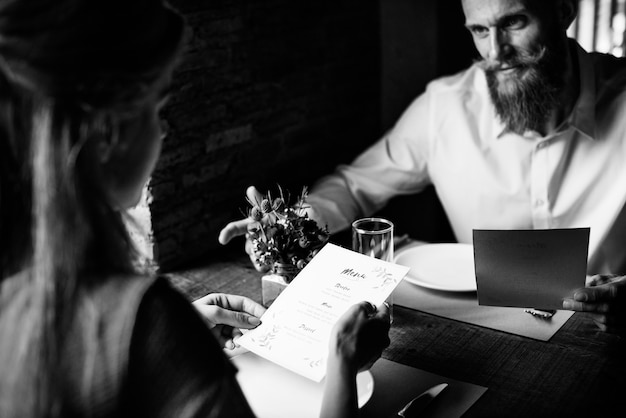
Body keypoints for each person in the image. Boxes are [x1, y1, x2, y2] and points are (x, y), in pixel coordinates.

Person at [0, 1, 391, 417]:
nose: (164, 129)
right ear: (107, 133)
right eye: (156, 108)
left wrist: (172, 346)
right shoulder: (146, 316)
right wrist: (342, 362)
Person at [219, 0, 626, 333]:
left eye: (514, 22)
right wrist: (289, 225)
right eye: (480, 31)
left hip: (606, 336)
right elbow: (352, 186)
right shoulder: (444, 107)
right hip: (483, 332)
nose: (496, 53)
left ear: (564, 10)